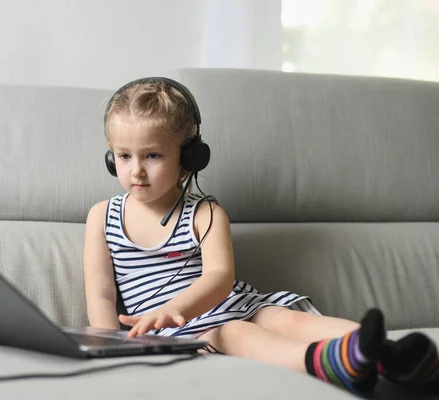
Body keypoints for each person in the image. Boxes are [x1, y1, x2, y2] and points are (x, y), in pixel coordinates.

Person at [83, 77, 438, 398]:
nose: (136, 170)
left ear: (190, 157)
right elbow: (101, 292)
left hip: (230, 304)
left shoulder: (205, 213)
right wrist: (110, 345)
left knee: (286, 319)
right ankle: (327, 363)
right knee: (236, 333)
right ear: (111, 158)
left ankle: (390, 355)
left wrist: (178, 305)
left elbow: (219, 279)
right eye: (124, 156)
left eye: (153, 155)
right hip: (176, 332)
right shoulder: (102, 217)